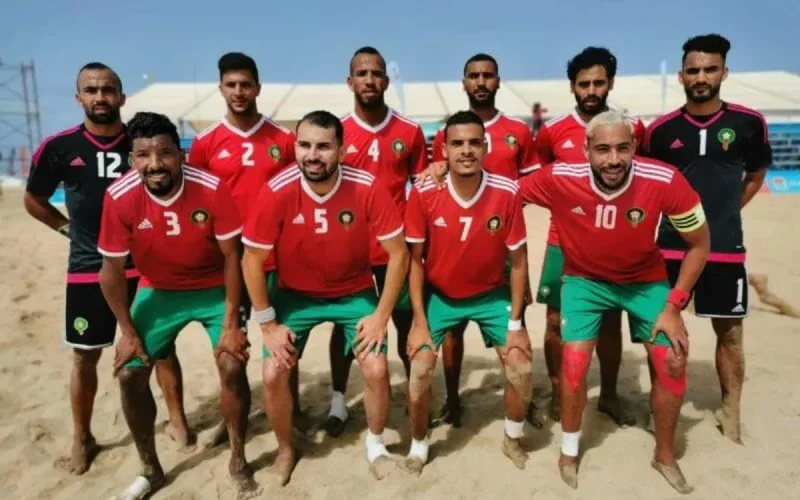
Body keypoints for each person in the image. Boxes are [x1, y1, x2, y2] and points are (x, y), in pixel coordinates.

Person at [518, 111, 709, 494]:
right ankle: (569, 453)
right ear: (586, 149)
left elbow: (700, 244)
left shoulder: (664, 179)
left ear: (634, 147)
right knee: (573, 363)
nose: (613, 159)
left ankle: (665, 455)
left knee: (673, 358)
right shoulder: (560, 176)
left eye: (623, 148)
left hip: (645, 282)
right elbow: (504, 194)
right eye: (602, 149)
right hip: (585, 281)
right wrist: (439, 172)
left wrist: (673, 306)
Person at [22, 63, 188, 475]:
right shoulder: (58, 147)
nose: (101, 97)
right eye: (91, 90)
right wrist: (67, 231)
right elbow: (34, 200)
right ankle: (83, 436)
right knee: (85, 356)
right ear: (79, 98)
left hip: (147, 267)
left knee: (162, 349)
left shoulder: (142, 143)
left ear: (122, 97)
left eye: (109, 90)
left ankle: (177, 419)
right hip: (88, 269)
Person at [241, 111, 410, 485]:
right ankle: (286, 450)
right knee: (273, 374)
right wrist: (268, 324)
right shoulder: (277, 189)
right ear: (294, 146)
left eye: (323, 146)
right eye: (304, 145)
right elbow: (250, 258)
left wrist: (382, 314)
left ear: (342, 150)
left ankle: (377, 444)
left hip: (354, 291)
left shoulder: (366, 185)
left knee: (377, 368)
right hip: (295, 296)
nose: (312, 155)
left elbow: (399, 253)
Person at [98, 112, 254, 499]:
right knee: (130, 373)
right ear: (131, 158)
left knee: (231, 361)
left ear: (181, 154)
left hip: (214, 284)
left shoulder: (211, 188)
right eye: (143, 155)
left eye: (165, 153)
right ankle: (151, 469)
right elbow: (111, 271)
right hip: (159, 289)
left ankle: (239, 459)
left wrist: (232, 321)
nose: (155, 164)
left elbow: (234, 256)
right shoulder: (120, 196)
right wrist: (128, 333)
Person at [641, 34, 773, 444]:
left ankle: (729, 410)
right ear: (682, 75)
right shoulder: (661, 130)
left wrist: (724, 215)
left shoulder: (749, 123)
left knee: (729, 333)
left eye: (710, 69)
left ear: (724, 72)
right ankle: (661, 408)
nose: (701, 77)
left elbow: (755, 176)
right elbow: (650, 185)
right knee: (663, 332)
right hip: (669, 248)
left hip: (725, 248)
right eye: (693, 70)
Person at [400, 111, 533, 475]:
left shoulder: (507, 191)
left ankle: (512, 438)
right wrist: (418, 322)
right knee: (420, 368)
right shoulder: (425, 192)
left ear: (486, 147)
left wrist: (517, 322)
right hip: (441, 296)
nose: (466, 150)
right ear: (443, 149)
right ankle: (418, 445)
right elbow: (415, 261)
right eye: (457, 143)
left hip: (491, 295)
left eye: (475, 142)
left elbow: (519, 261)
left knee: (521, 366)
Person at [529, 47, 646, 425]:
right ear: (572, 87)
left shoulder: (631, 128)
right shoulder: (552, 132)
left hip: (612, 245)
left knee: (609, 321)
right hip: (562, 243)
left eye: (598, 82)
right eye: (584, 84)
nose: (591, 90)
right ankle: (558, 390)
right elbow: (545, 179)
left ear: (610, 82)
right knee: (553, 321)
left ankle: (609, 395)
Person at [187, 53, 299, 437]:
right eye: (231, 85)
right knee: (232, 344)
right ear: (220, 88)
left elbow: (296, 195)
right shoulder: (204, 144)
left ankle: (292, 412)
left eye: (245, 84)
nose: (238, 91)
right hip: (229, 261)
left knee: (284, 341)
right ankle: (231, 418)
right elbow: (196, 201)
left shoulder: (283, 140)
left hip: (273, 260)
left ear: (258, 88)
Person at [427, 52, 536, 426]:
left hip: (503, 243)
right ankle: (453, 398)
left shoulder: (518, 131)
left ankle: (521, 398)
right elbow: (435, 178)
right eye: (473, 75)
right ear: (464, 83)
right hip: (460, 243)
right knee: (453, 329)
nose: (481, 82)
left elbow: (532, 183)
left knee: (510, 328)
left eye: (488, 75)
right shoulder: (454, 132)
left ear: (498, 81)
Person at [325, 46, 429, 436]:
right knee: (345, 325)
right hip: (347, 248)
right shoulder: (335, 131)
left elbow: (421, 188)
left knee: (402, 321)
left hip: (393, 249)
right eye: (362, 73)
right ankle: (338, 399)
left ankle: (408, 393)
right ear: (350, 82)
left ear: (387, 80)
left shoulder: (410, 131)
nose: (370, 79)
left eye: (377, 73)